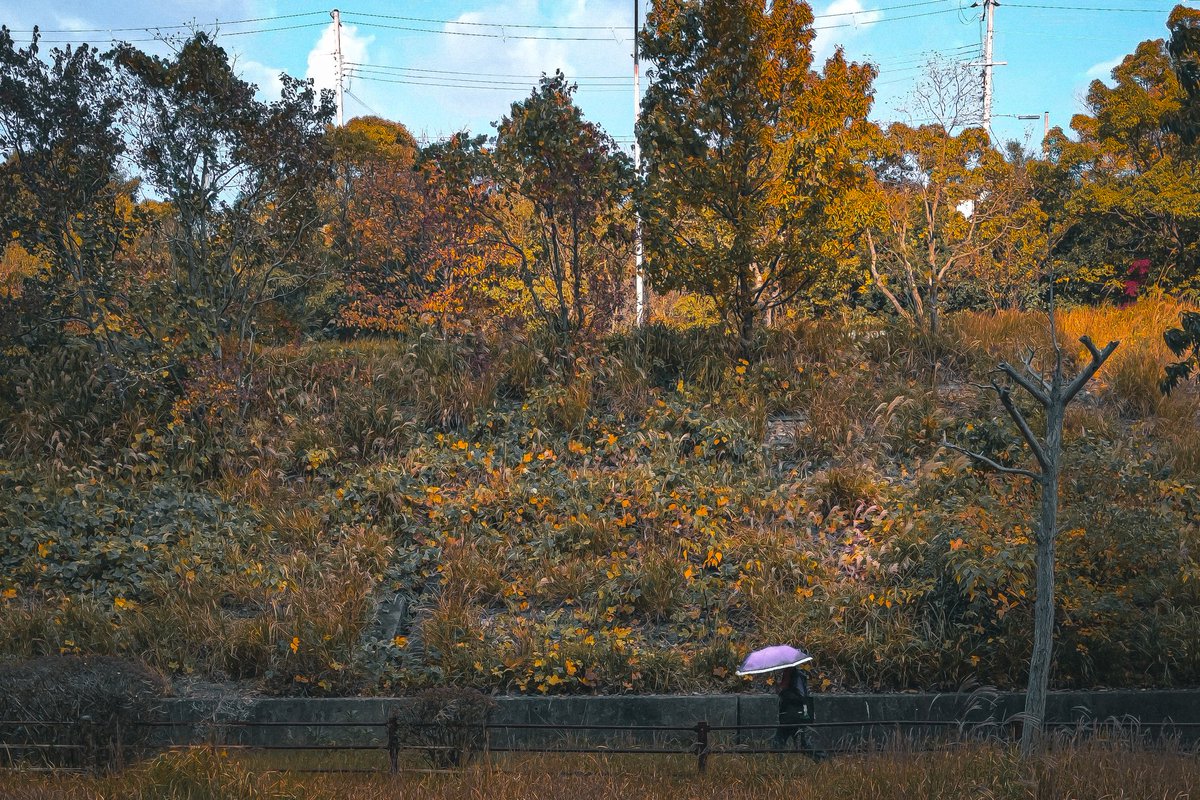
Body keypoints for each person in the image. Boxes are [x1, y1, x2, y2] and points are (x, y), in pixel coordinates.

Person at [772, 666, 814, 753]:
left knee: (779, 741)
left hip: (791, 714)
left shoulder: (790, 672)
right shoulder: (797, 674)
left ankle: (820, 757)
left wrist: (780, 688)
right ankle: (820, 758)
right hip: (795, 713)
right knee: (803, 743)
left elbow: (785, 689)